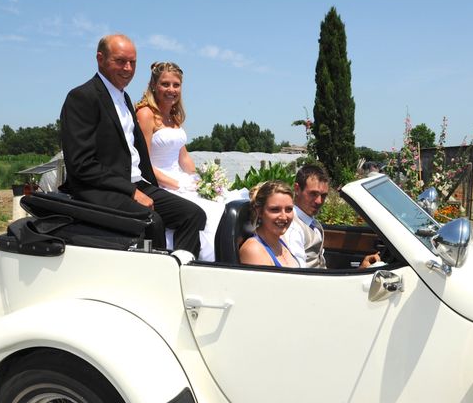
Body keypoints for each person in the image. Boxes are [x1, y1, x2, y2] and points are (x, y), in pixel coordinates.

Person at [59, 34, 206, 258]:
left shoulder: (124, 99)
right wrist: (130, 191)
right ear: (100, 59)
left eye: (132, 62)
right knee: (151, 221)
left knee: (193, 214)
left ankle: (181, 270)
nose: (128, 68)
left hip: (136, 183)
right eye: (120, 61)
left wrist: (152, 187)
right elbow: (81, 164)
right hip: (100, 189)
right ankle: (154, 280)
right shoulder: (82, 97)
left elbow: (139, 155)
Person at [135, 61, 226, 261]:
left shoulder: (174, 116)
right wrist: (178, 184)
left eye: (176, 85)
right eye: (165, 84)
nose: (171, 89)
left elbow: (183, 156)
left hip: (179, 178)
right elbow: (144, 164)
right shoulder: (146, 114)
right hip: (159, 182)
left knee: (223, 203)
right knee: (208, 212)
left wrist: (201, 180)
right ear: (154, 85)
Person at [285, 164, 381, 269]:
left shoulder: (312, 223)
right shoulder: (293, 228)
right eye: (313, 194)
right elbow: (298, 276)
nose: (319, 201)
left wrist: (361, 270)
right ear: (297, 189)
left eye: (323, 195)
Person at [239, 181, 300, 268]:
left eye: (289, 209)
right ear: (259, 211)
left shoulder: (281, 241)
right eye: (275, 209)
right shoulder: (254, 249)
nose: (283, 217)